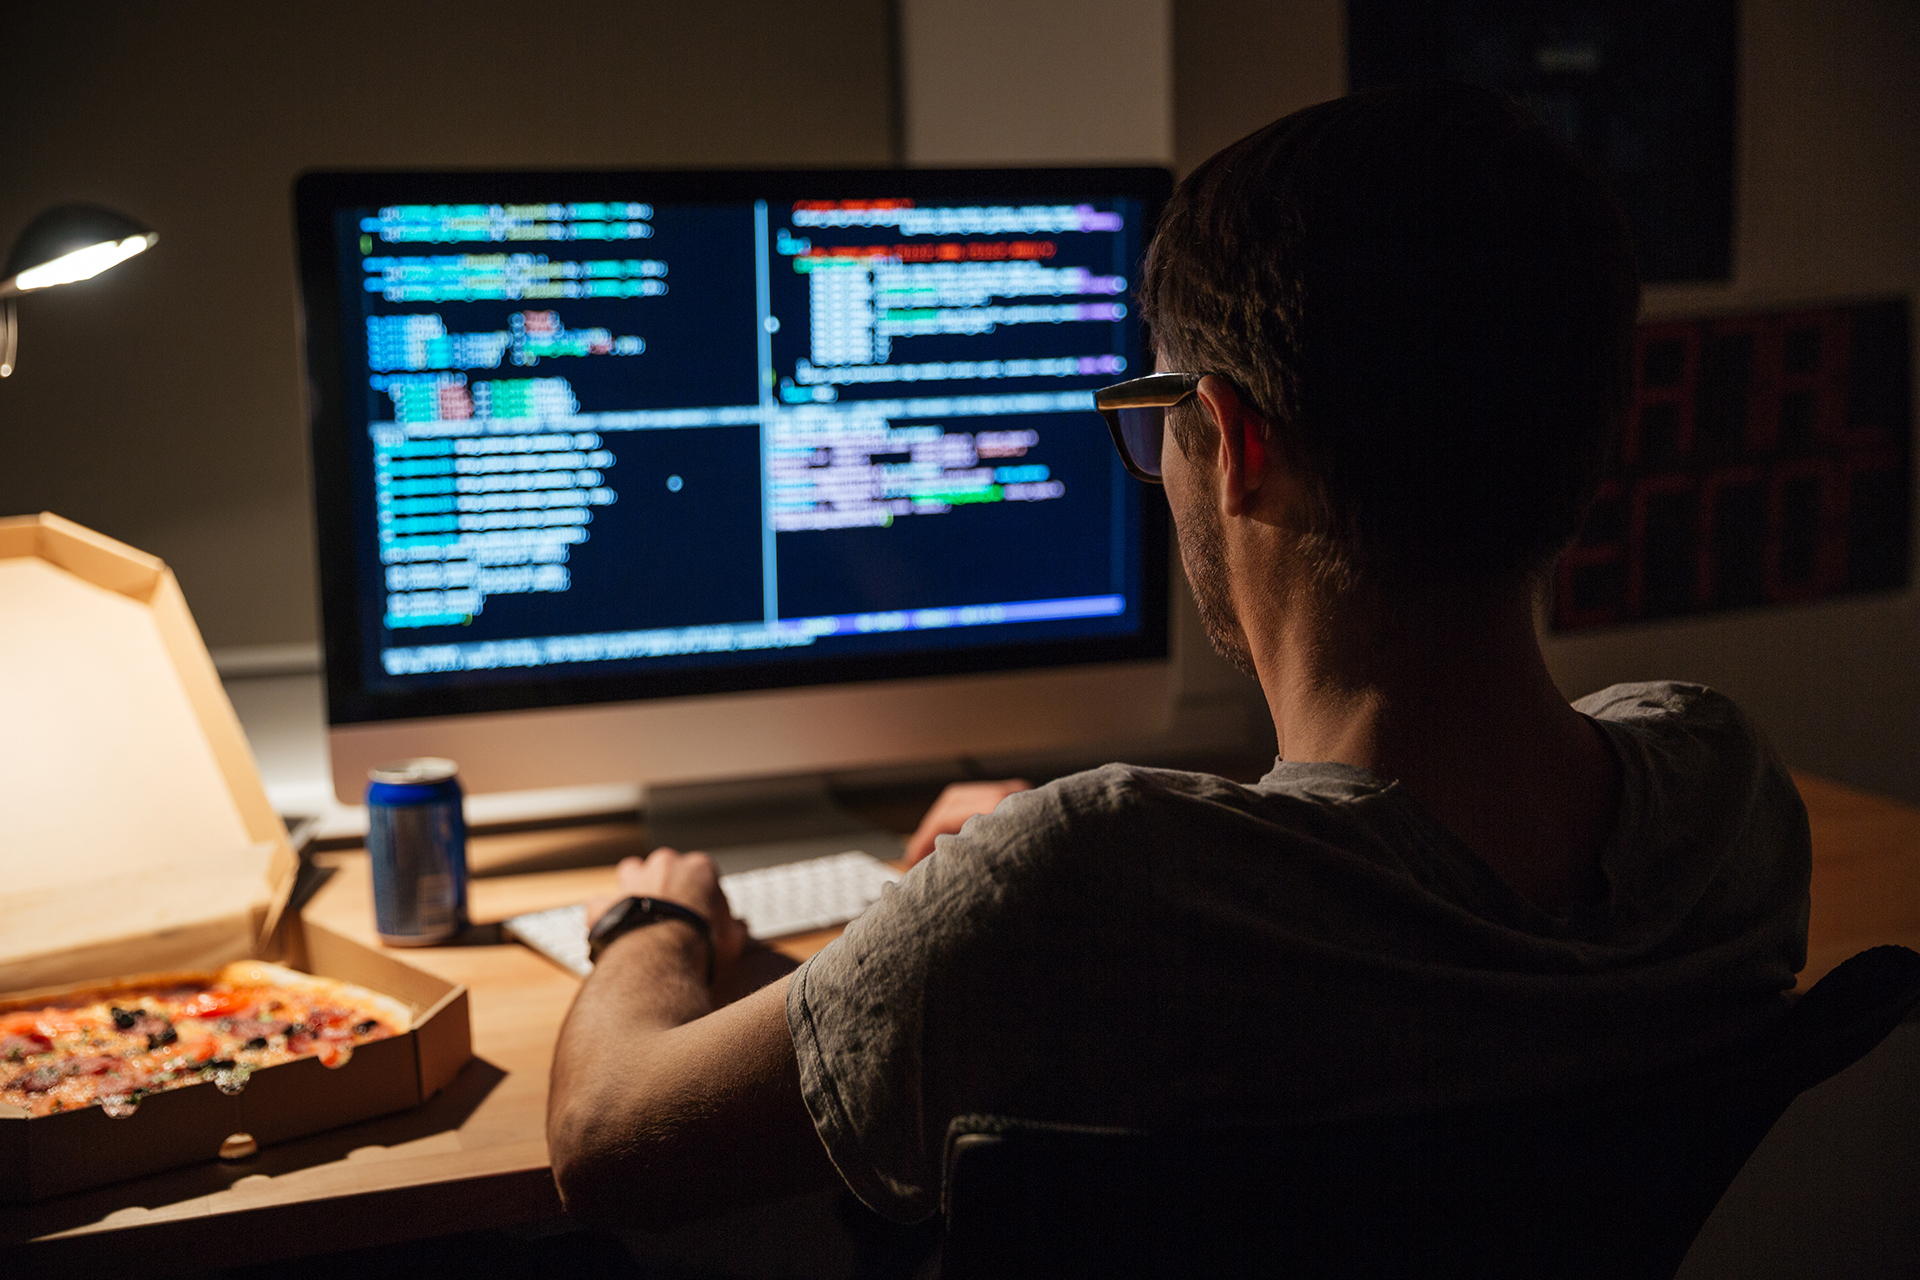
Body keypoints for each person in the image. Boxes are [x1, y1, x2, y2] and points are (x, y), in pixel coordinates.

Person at [546, 82, 1810, 1231]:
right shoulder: (1729, 805)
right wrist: (979, 893)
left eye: (1156, 425)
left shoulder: (1082, 894)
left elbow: (607, 1138)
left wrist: (653, 922)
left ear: (1230, 439)